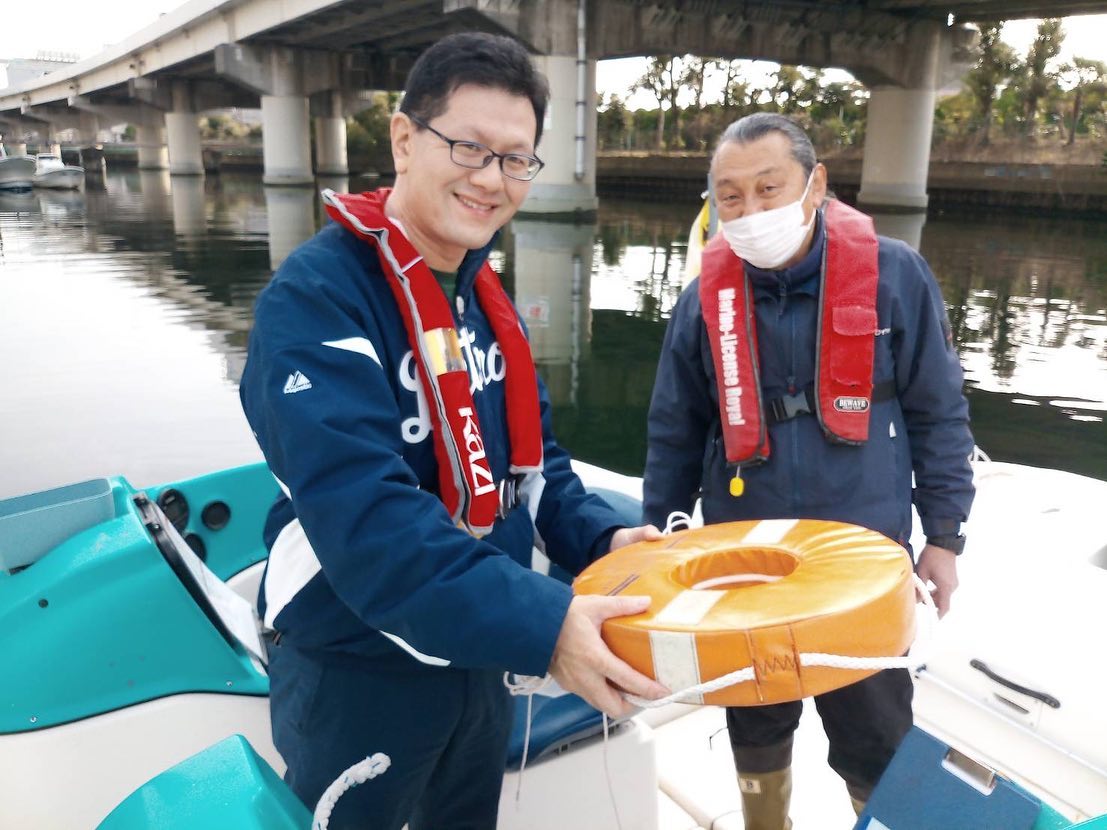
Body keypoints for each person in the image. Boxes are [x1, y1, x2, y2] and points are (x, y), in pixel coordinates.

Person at [239, 32, 667, 830]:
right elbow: (366, 520)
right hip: (355, 666)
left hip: (479, 658)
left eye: (515, 159)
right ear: (404, 139)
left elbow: (536, 473)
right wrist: (545, 626)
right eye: (468, 147)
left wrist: (606, 540)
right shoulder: (314, 301)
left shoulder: (483, 299)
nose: (490, 180)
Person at [642, 112, 975, 828]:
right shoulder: (701, 301)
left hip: (863, 562)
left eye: (769, 187)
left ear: (815, 184)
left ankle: (880, 817)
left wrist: (943, 537)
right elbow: (673, 430)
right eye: (729, 196)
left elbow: (938, 413)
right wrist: (658, 536)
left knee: (876, 734)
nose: (751, 210)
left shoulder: (894, 274)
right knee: (753, 719)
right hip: (743, 564)